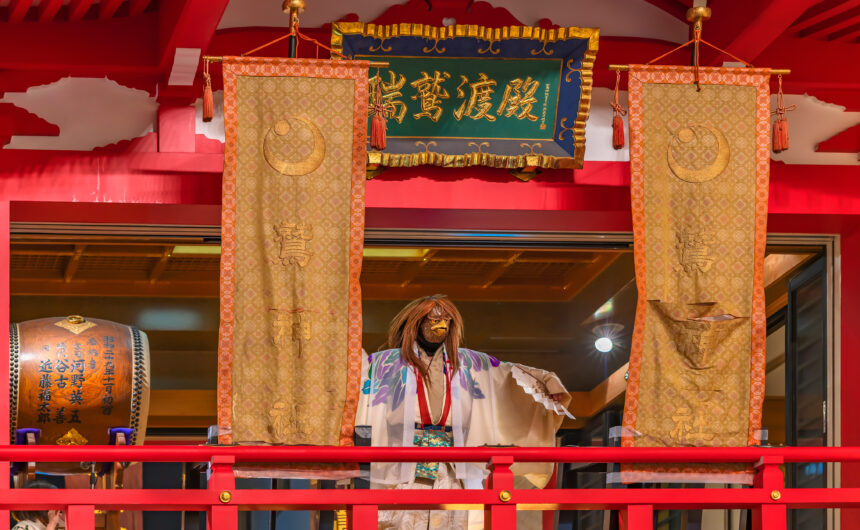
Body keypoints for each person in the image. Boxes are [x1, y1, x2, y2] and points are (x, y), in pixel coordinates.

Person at [357, 294, 573, 529]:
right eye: (432, 319)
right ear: (416, 323)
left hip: (452, 467)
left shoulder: (470, 363)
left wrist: (546, 383)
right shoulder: (384, 363)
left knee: (453, 521)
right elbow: (354, 380)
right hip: (403, 465)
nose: (439, 324)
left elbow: (506, 375)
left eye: (445, 320)